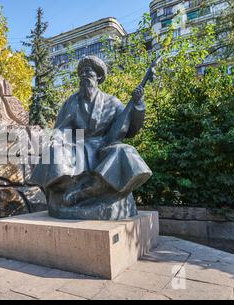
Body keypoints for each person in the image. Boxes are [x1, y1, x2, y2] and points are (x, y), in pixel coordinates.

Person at [29, 55, 153, 220]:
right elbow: (61, 128)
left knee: (126, 151)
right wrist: (57, 140)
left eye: (88, 72)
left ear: (99, 77)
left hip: (103, 145)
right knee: (54, 149)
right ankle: (70, 191)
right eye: (81, 73)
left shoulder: (112, 102)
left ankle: (91, 190)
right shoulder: (72, 101)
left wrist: (137, 104)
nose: (84, 76)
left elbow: (130, 129)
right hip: (78, 145)